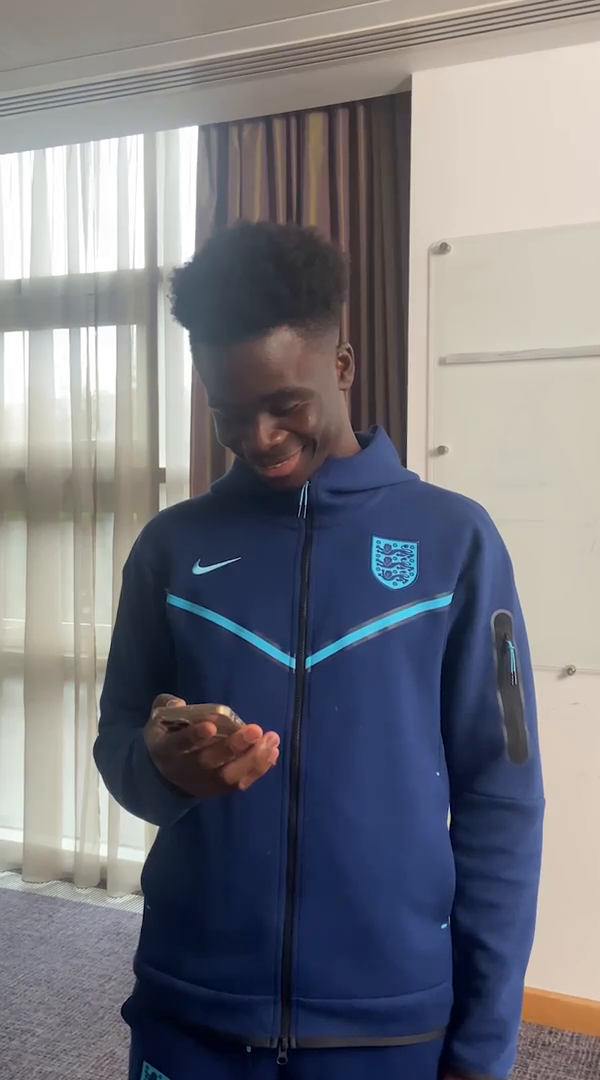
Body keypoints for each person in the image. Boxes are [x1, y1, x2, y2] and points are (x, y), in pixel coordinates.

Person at [94, 220, 544, 1080]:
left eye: (284, 405)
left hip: (389, 1025)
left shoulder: (456, 543)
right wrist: (161, 766)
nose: (259, 436)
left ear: (342, 365)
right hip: (191, 1012)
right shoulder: (171, 549)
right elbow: (118, 746)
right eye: (229, 412)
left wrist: (483, 1048)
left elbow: (502, 799)